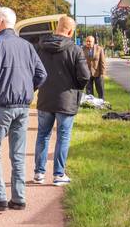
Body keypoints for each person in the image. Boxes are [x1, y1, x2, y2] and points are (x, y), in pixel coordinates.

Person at [0, 7, 47, 213]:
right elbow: (42, 74)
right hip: (23, 107)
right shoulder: (26, 45)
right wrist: (28, 89)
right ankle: (18, 198)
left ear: (1, 21)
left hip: (2, 106)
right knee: (17, 154)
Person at [34, 16, 90, 186]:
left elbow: (35, 71)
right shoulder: (75, 49)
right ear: (70, 31)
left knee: (43, 135)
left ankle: (39, 173)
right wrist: (75, 86)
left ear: (57, 28)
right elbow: (85, 76)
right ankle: (58, 175)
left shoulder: (40, 47)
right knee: (63, 136)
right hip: (66, 99)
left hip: (45, 98)